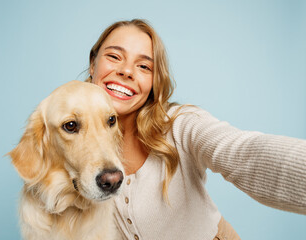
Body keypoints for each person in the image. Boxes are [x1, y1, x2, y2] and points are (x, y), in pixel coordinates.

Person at [85, 19, 306, 240]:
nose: (126, 71)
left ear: (154, 81)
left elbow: (244, 152)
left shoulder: (180, 125)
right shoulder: (69, 144)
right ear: (93, 64)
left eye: (144, 66)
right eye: (114, 57)